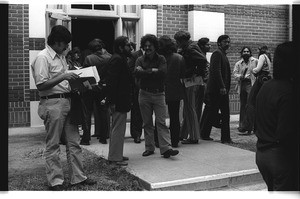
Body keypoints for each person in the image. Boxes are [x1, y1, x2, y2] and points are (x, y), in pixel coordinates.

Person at [31, 25, 96, 191]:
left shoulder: (60, 57)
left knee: (74, 142)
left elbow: (64, 82)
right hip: (52, 103)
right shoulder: (42, 58)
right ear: (57, 42)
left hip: (67, 101)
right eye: (65, 44)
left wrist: (79, 84)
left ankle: (78, 177)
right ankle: (55, 181)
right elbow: (41, 85)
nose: (67, 47)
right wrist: (64, 76)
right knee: (53, 144)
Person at [255, 42, 299, 191]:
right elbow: (285, 132)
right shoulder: (289, 91)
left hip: (261, 153)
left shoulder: (267, 86)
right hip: (279, 155)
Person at [134, 34, 179, 158]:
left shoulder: (161, 59)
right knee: (147, 123)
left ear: (155, 46)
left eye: (150, 46)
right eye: (145, 46)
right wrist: (152, 71)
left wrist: (145, 71)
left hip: (159, 94)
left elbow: (162, 73)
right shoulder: (139, 59)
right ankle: (149, 148)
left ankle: (166, 148)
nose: (147, 48)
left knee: (161, 122)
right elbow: (136, 73)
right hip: (144, 94)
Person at [174, 30, 207, 144]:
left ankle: (193, 136)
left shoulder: (190, 48)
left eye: (178, 41)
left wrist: (192, 72)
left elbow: (203, 60)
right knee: (189, 108)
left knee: (190, 108)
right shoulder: (190, 47)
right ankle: (183, 134)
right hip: (191, 80)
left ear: (183, 40)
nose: (177, 43)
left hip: (191, 81)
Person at [106, 36, 133, 166]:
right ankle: (115, 158)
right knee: (118, 128)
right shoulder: (117, 59)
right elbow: (112, 82)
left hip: (120, 100)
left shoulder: (120, 58)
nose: (130, 47)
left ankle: (116, 154)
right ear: (121, 47)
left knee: (118, 129)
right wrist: (112, 102)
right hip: (118, 101)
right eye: (127, 45)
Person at [200, 35, 233, 143]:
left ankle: (221, 137)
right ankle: (222, 137)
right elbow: (216, 71)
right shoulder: (217, 54)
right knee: (219, 113)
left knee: (213, 112)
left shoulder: (223, 54)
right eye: (225, 42)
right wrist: (222, 86)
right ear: (219, 43)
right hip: (217, 90)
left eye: (228, 42)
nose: (227, 43)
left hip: (220, 90)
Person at [80, 39, 111, 145]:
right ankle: (103, 137)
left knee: (87, 113)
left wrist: (85, 87)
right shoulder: (109, 58)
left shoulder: (89, 58)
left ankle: (86, 138)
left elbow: (85, 75)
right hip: (103, 88)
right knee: (103, 112)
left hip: (91, 88)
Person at [158, 35, 185, 148]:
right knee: (174, 117)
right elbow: (183, 74)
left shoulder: (158, 58)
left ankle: (159, 140)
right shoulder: (179, 58)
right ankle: (174, 140)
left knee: (160, 118)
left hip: (160, 90)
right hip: (175, 90)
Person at [240, 45, 272, 134]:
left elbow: (257, 69)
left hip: (260, 79)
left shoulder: (262, 56)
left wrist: (252, 71)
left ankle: (247, 126)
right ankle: (256, 127)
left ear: (260, 50)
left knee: (250, 102)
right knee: (259, 103)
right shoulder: (268, 57)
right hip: (266, 79)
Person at [233, 47, 258, 135]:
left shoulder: (255, 61)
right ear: (242, 53)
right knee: (243, 105)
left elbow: (259, 71)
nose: (246, 53)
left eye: (248, 51)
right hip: (242, 84)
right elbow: (235, 74)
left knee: (250, 105)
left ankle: (251, 126)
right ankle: (242, 125)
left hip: (251, 84)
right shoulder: (239, 63)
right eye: (244, 51)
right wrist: (241, 76)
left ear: (250, 53)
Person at [128, 46, 144, 144]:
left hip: (149, 86)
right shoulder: (135, 55)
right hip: (137, 87)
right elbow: (130, 71)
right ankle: (136, 134)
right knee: (136, 111)